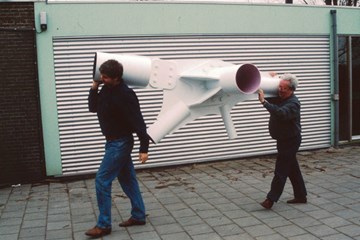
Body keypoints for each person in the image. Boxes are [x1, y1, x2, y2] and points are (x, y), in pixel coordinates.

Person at [85, 59, 152, 238]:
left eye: (105, 77)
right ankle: (138, 216)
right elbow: (93, 108)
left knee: (102, 180)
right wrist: (94, 87)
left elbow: (138, 122)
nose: (102, 79)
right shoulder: (106, 89)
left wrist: (143, 148)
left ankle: (104, 225)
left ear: (116, 77)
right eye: (101, 76)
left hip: (120, 143)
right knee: (128, 180)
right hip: (113, 142)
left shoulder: (125, 94)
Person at [258, 73, 307, 209]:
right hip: (283, 139)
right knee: (292, 169)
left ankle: (270, 199)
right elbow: (272, 98)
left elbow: (280, 113)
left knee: (281, 170)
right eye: (279, 87)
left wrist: (264, 102)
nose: (279, 90)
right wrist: (272, 77)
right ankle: (301, 196)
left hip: (290, 141)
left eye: (282, 88)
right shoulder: (281, 97)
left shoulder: (293, 104)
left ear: (290, 89)